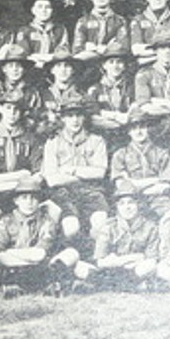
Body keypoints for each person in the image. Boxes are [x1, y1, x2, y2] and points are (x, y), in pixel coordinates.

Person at [0, 176, 86, 296]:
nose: (29, 202)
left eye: (33, 198)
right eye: (24, 198)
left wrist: (8, 252)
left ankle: (18, 284)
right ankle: (21, 284)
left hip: (39, 264)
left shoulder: (46, 220)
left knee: (71, 254)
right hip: (12, 265)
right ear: (16, 201)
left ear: (39, 201)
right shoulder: (6, 220)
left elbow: (39, 253)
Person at [0, 90, 46, 233]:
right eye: (8, 108)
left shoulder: (32, 139)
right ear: (0, 109)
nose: (12, 113)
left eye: (16, 109)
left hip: (25, 196)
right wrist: (20, 175)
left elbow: (38, 176)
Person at [41, 98, 110, 241]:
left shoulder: (96, 141)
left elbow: (99, 173)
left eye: (79, 115)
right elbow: (52, 179)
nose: (75, 120)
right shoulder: (53, 142)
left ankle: (96, 258)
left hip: (91, 192)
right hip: (63, 193)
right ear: (63, 118)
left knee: (101, 223)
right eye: (70, 116)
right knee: (71, 228)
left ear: (84, 117)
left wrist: (70, 170)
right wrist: (86, 173)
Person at [109, 104, 170, 217]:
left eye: (142, 127)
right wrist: (155, 180)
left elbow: (166, 184)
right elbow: (120, 184)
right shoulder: (120, 155)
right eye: (134, 128)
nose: (138, 131)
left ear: (148, 129)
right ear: (128, 132)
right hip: (130, 200)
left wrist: (135, 184)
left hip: (157, 199)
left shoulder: (161, 154)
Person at [91, 180, 160, 288]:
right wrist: (134, 257)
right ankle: (129, 284)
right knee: (84, 268)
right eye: (122, 204)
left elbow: (151, 258)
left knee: (150, 266)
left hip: (136, 269)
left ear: (139, 204)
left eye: (131, 202)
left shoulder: (150, 227)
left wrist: (118, 261)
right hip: (114, 268)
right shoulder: (109, 226)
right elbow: (100, 260)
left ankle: (114, 284)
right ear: (117, 207)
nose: (127, 207)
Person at [72, 0, 129, 66]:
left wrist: (95, 48)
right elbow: (77, 52)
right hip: (87, 68)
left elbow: (123, 49)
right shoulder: (83, 22)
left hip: (113, 66)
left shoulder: (120, 21)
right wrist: (108, 48)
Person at [86, 42, 135, 141]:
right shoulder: (95, 89)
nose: (115, 66)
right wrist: (116, 117)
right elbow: (93, 113)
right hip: (104, 136)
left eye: (119, 62)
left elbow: (135, 111)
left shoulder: (132, 87)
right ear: (104, 65)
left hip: (128, 136)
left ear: (125, 65)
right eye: (111, 62)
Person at [35, 47, 85, 138]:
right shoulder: (42, 95)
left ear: (73, 70)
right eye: (58, 66)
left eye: (67, 66)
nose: (63, 70)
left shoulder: (81, 95)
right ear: (52, 70)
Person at [17, 0, 71, 67]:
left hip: (53, 69)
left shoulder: (60, 30)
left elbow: (63, 53)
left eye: (48, 7)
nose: (44, 10)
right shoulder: (24, 31)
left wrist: (43, 57)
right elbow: (24, 55)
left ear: (52, 10)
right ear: (33, 10)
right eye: (40, 7)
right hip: (31, 70)